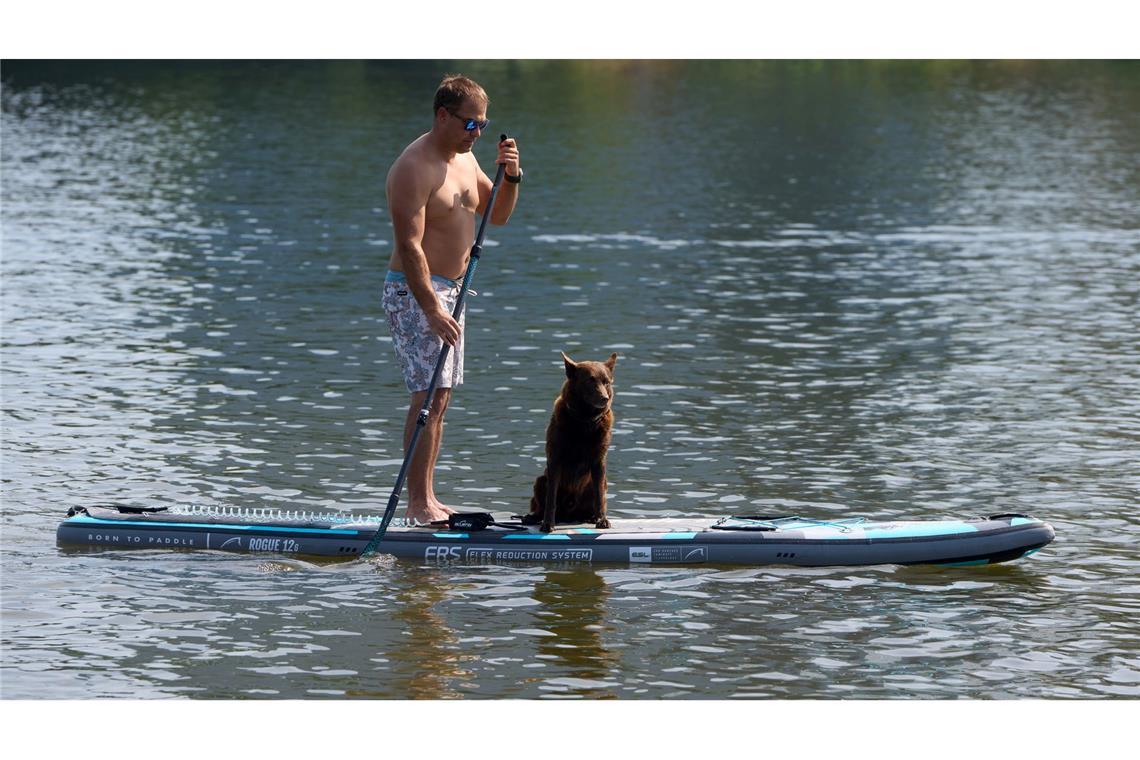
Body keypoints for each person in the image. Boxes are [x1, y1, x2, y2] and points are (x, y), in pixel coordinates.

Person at [383, 74, 522, 526]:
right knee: (426, 396)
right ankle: (418, 505)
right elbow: (410, 246)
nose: (476, 133)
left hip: (453, 291)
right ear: (443, 115)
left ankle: (428, 497)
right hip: (414, 292)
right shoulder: (413, 168)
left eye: (483, 125)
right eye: (469, 124)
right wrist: (431, 308)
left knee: (439, 400)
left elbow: (496, 215)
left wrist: (512, 175)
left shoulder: (466, 159)